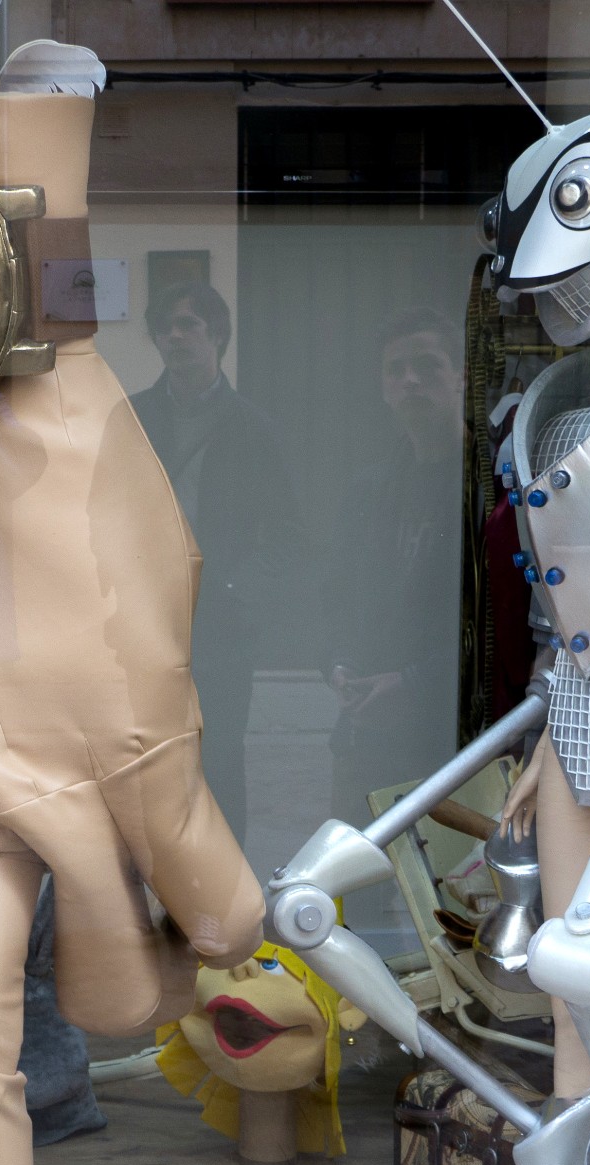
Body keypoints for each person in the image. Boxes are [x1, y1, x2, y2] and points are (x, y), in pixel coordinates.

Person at [128, 281, 290, 843]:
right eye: (165, 327)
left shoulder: (254, 428)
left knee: (218, 759)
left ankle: (225, 882)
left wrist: (236, 592)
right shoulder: (132, 417)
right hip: (143, 621)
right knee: (142, 760)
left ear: (217, 335)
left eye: (189, 324)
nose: (175, 336)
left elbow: (285, 532)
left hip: (221, 624)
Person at [322, 307, 465, 824]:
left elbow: (503, 624)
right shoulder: (369, 490)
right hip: (367, 736)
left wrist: (413, 682)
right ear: (383, 388)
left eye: (427, 366)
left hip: (454, 741)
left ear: (460, 377)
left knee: (451, 873)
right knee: (354, 869)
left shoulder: (490, 487)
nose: (411, 380)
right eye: (396, 370)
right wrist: (337, 664)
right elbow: (335, 599)